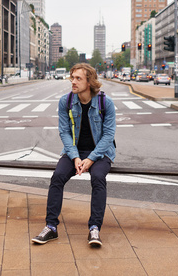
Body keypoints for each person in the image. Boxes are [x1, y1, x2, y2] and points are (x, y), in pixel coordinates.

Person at [32, 63, 116, 247]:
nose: (73, 81)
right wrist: (76, 157)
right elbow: (64, 132)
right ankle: (51, 227)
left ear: (90, 81)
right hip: (75, 151)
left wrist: (91, 158)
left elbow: (109, 135)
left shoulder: (105, 102)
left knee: (98, 177)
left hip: (100, 153)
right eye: (72, 77)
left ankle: (94, 228)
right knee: (58, 177)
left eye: (78, 78)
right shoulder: (66, 101)